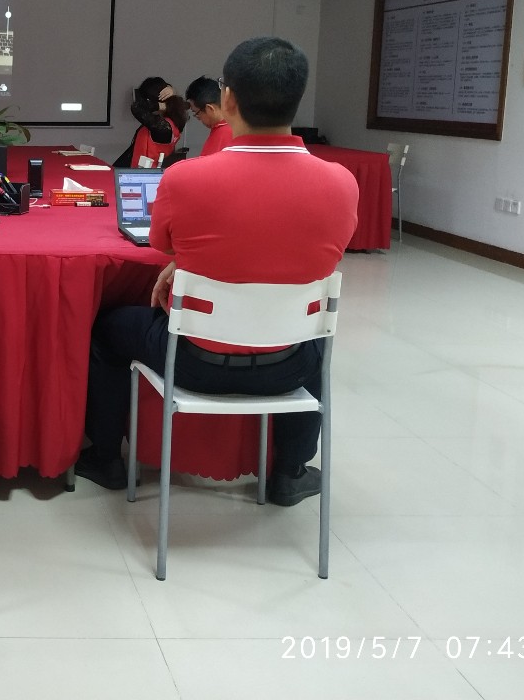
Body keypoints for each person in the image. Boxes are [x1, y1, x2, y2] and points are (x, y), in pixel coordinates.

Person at [79, 37, 358, 505]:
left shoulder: (186, 179)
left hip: (193, 360)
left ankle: (105, 456)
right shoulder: (342, 184)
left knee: (107, 330)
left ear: (227, 100)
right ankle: (289, 471)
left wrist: (183, 262)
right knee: (316, 336)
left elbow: (160, 243)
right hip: (288, 364)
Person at [114, 77, 189, 168]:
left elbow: (136, 107)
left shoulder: (163, 127)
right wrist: (171, 90)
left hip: (143, 174)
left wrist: (162, 105)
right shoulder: (171, 123)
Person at [184, 76, 234, 156]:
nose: (198, 118)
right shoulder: (227, 127)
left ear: (209, 108)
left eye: (197, 113)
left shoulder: (226, 133)